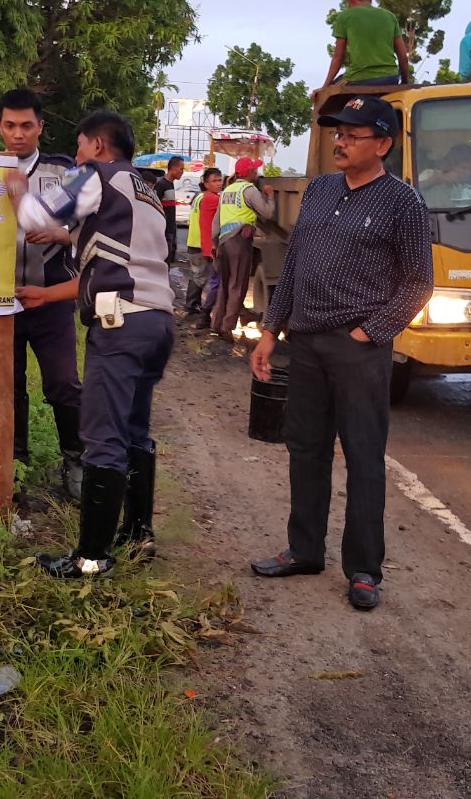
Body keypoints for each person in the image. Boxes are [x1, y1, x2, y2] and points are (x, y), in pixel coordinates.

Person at [248, 95, 432, 611]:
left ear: (384, 143)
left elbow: (419, 283)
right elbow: (296, 263)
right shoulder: (320, 189)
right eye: (338, 132)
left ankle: (365, 569)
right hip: (304, 344)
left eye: (353, 133)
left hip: (358, 350)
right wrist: (269, 332)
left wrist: (371, 333)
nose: (340, 141)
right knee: (304, 449)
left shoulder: (403, 203)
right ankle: (305, 549)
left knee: (363, 458)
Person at [5, 110, 173, 578]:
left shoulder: (97, 173)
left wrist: (15, 186)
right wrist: (67, 238)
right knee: (135, 431)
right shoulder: (146, 191)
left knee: (102, 437)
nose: (76, 156)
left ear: (97, 145)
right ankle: (138, 536)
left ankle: (91, 559)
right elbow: (114, 253)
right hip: (156, 322)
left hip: (120, 326)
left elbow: (35, 213)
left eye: (79, 147)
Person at [0, 88, 84, 500]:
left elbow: (93, 229)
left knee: (63, 382)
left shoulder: (65, 172)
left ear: (40, 126)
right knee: (3, 383)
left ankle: (75, 460)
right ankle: (15, 463)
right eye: (10, 125)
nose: (18, 134)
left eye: (27, 125)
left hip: (51, 298)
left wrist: (64, 234)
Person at [210, 156, 275, 339]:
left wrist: (214, 243)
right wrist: (269, 196)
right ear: (250, 173)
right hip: (239, 242)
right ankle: (227, 328)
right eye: (255, 169)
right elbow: (267, 213)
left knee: (224, 285)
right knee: (237, 286)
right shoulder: (249, 190)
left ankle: (216, 323)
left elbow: (216, 221)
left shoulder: (227, 191)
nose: (257, 172)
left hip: (223, 242)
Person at [323, 0, 411, 87]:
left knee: (326, 94)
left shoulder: (345, 16)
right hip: (391, 77)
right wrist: (405, 82)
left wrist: (324, 87)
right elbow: (403, 56)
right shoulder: (389, 16)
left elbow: (338, 57)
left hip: (361, 78)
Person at [183, 167, 222, 325]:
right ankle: (192, 307)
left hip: (193, 241)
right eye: (214, 181)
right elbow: (207, 226)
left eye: (220, 180)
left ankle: (192, 305)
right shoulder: (212, 199)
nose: (219, 183)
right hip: (200, 243)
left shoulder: (199, 196)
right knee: (200, 277)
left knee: (196, 276)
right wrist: (210, 248)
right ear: (205, 183)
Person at [152, 155, 185, 264]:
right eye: (181, 169)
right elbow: (154, 207)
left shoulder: (170, 185)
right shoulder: (161, 185)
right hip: (163, 231)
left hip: (170, 229)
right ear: (173, 168)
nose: (182, 172)